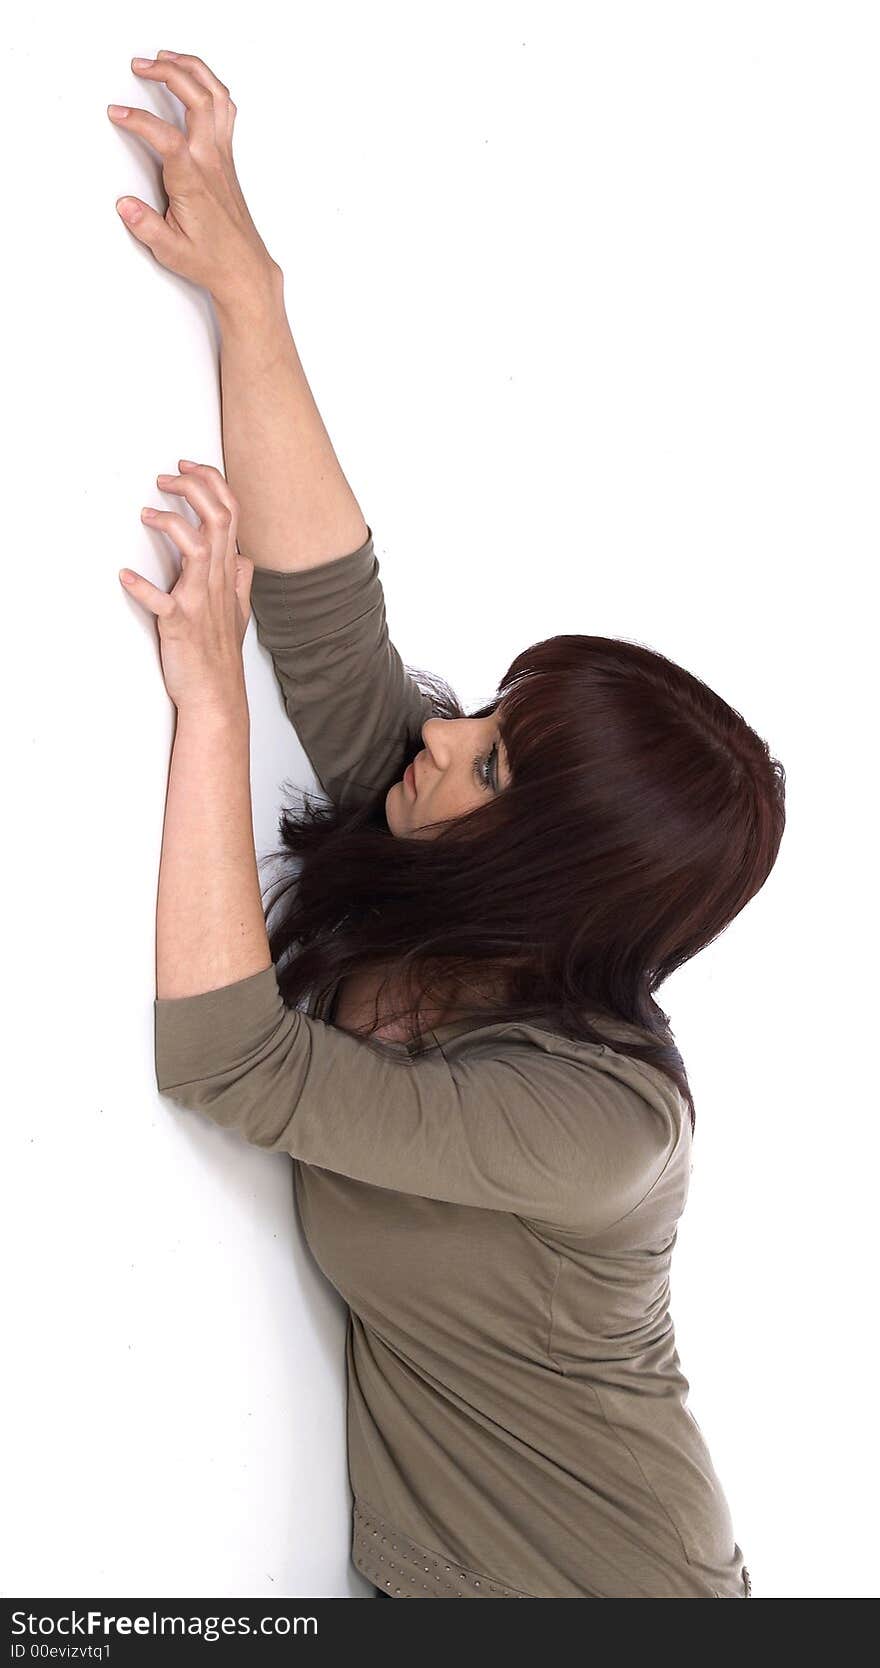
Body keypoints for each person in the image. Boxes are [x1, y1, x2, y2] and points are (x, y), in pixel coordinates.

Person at [112, 51, 778, 1598]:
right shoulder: (440, 863)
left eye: (490, 764)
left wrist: (210, 708)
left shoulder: (600, 1129)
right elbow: (338, 625)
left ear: (552, 875)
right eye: (497, 720)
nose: (446, 737)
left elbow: (226, 1063)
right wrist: (248, 288)